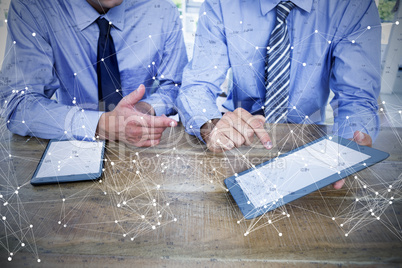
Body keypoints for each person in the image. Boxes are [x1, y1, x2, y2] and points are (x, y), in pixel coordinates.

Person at [176, 0, 381, 188]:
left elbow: (357, 97)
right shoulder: (221, 4)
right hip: (238, 140)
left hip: (310, 141)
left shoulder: (353, 5)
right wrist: (209, 125)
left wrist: (349, 141)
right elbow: (198, 84)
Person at [0, 0, 188, 147]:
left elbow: (175, 85)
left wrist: (144, 109)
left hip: (142, 145)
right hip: (67, 144)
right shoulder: (34, 7)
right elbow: (18, 104)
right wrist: (101, 125)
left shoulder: (162, 10)